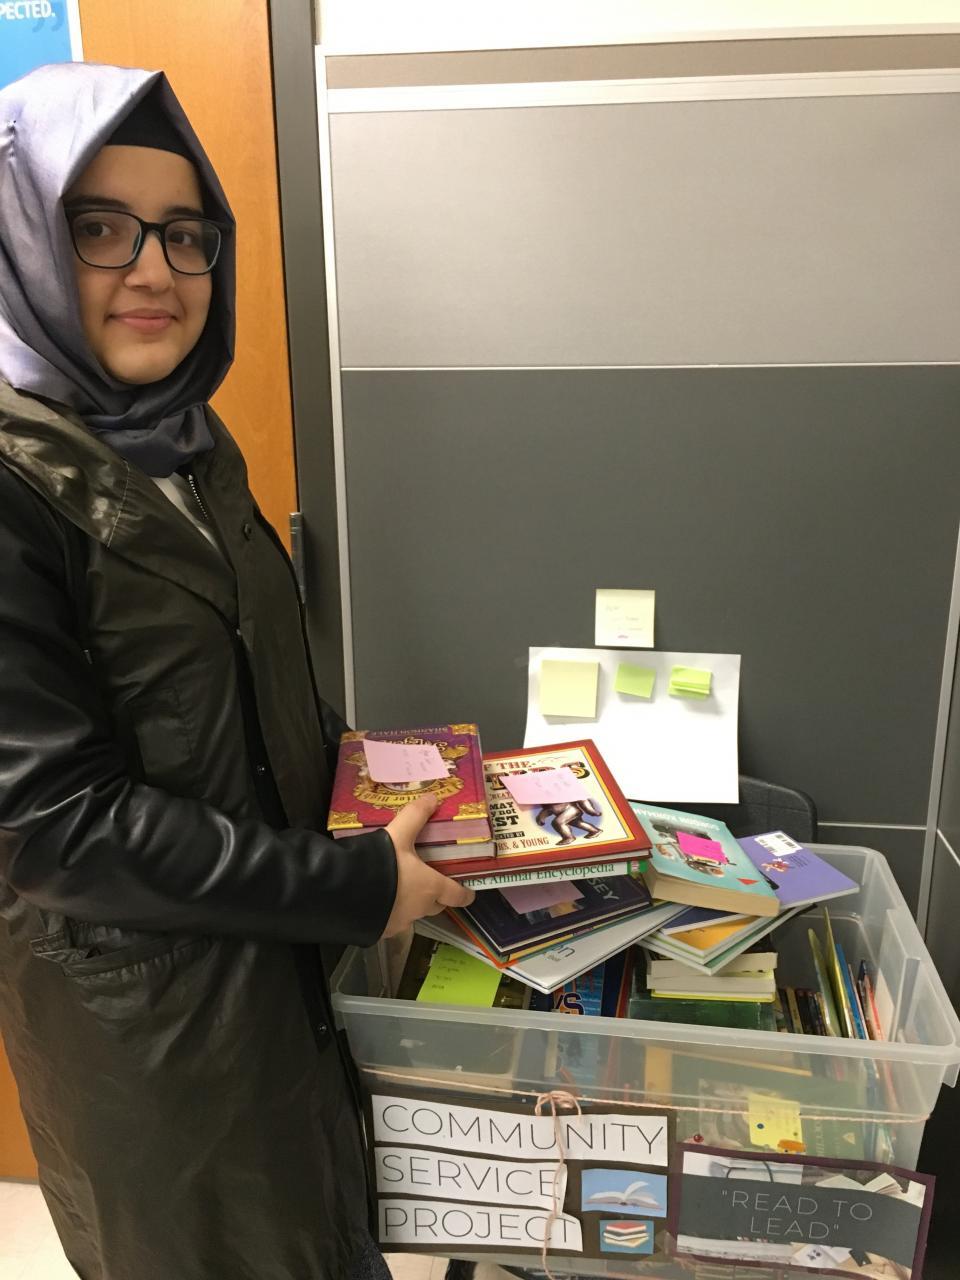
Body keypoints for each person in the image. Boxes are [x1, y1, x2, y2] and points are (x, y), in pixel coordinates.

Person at [0, 61, 472, 1280]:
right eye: (99, 226)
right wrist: (355, 883)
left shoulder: (191, 445)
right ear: (26, 238)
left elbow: (248, 695)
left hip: (277, 984)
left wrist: (397, 782)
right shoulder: (12, 484)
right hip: (158, 1044)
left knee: (328, 1236)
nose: (154, 268)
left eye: (185, 231)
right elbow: (57, 827)